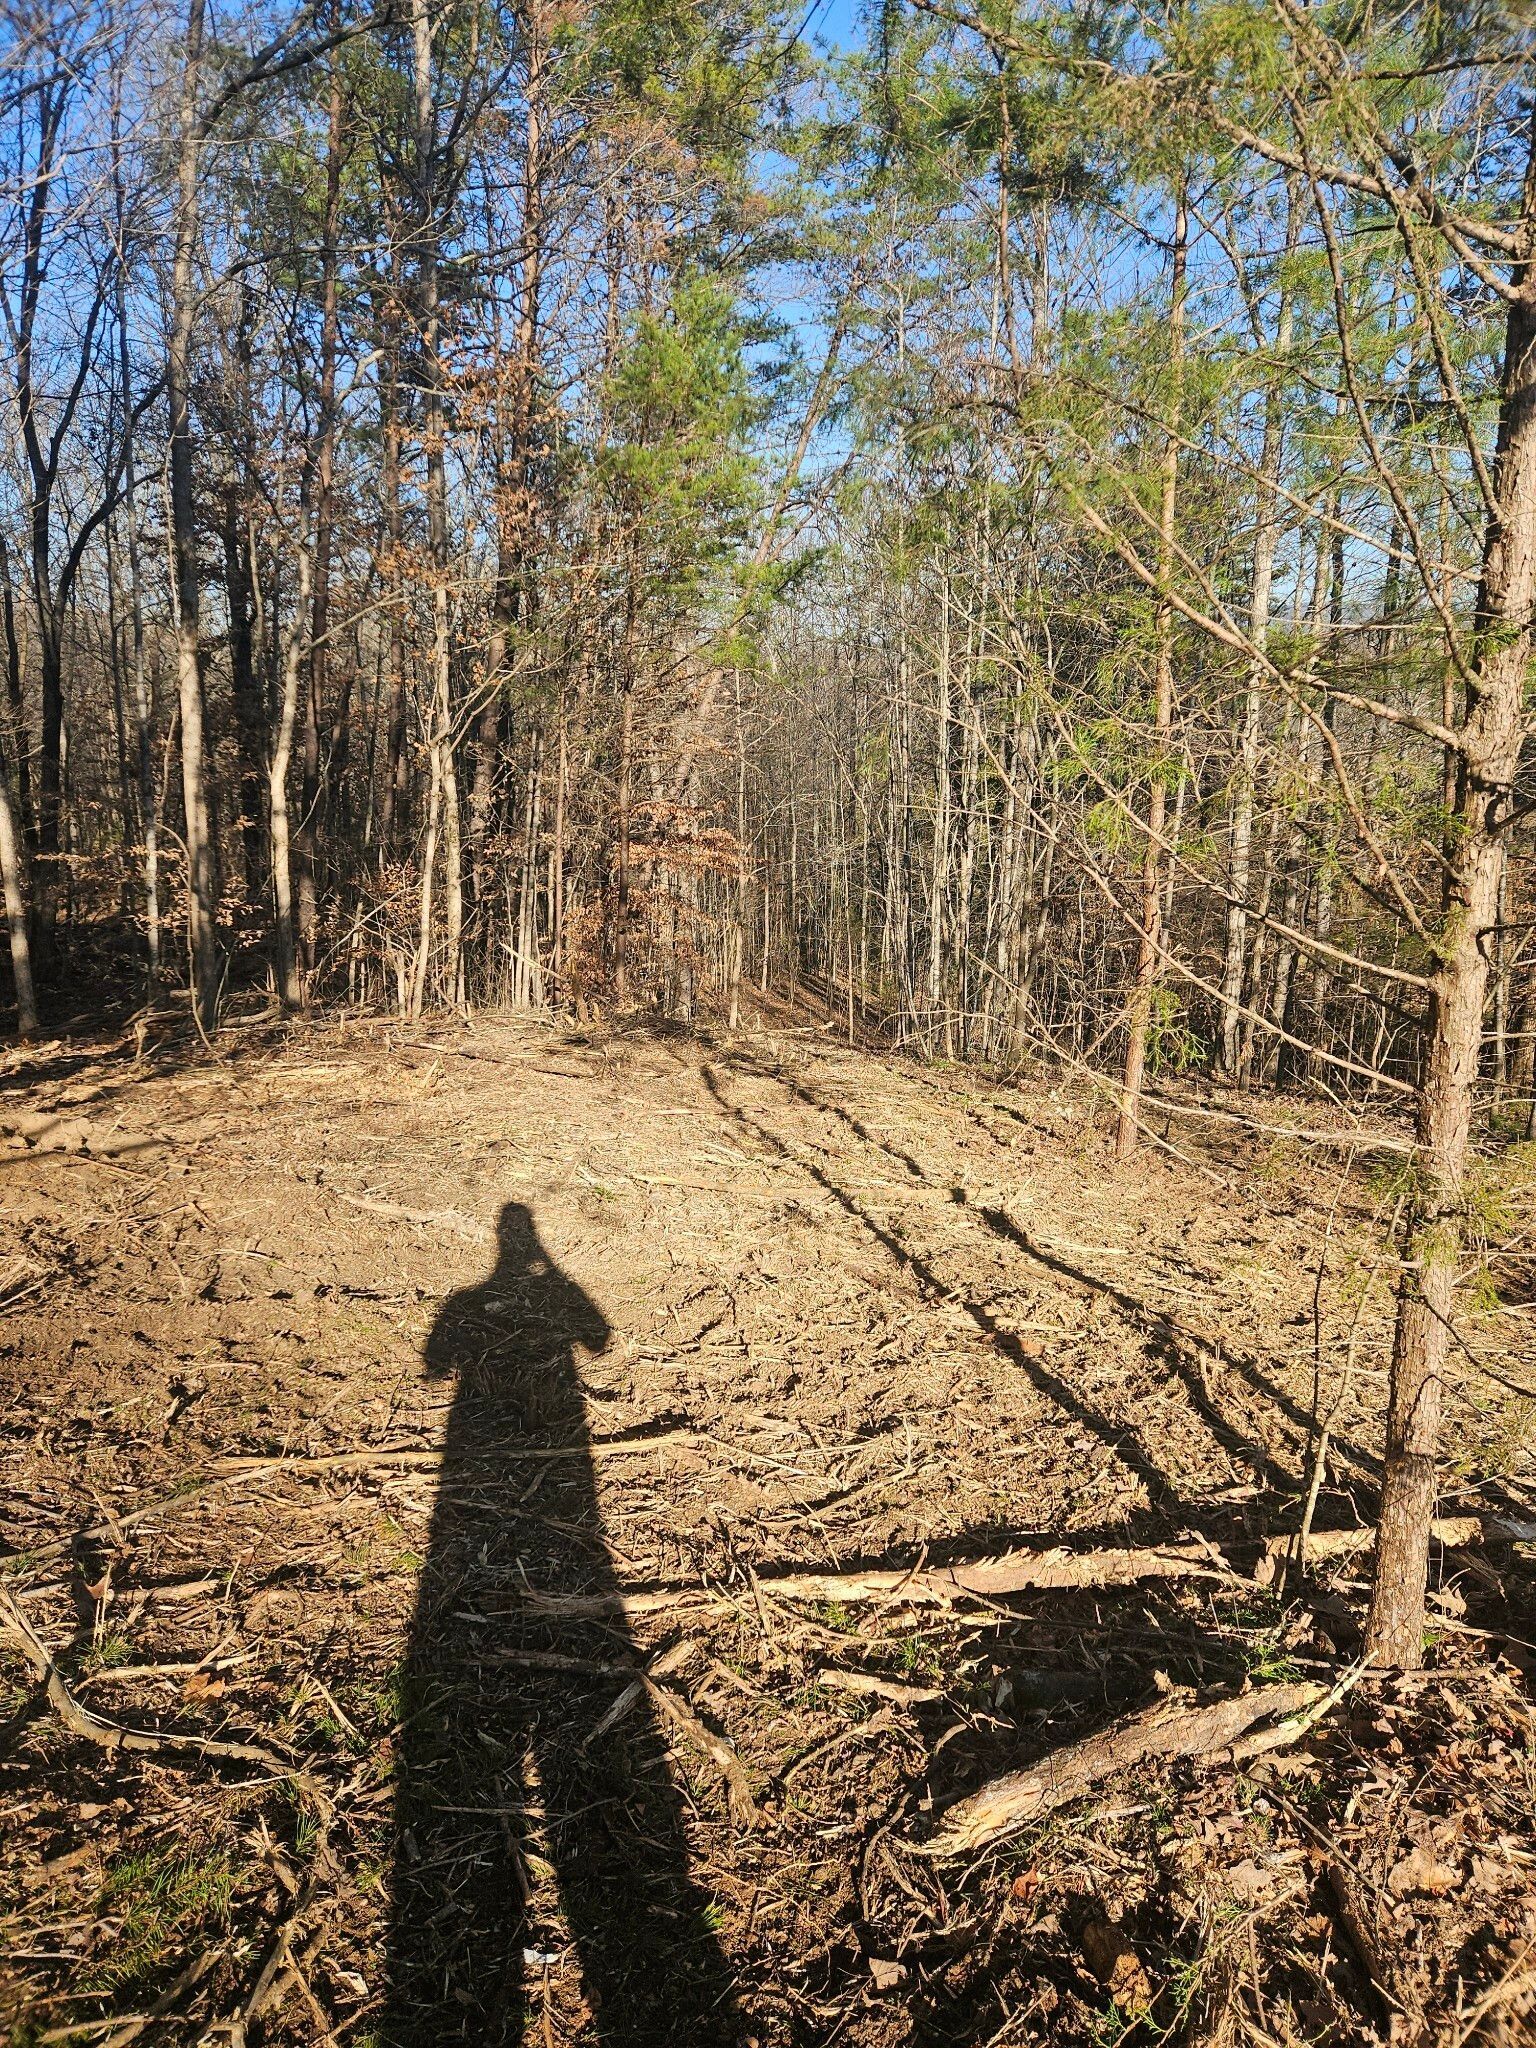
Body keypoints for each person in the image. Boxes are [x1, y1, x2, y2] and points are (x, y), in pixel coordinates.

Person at [383, 1202, 740, 2044]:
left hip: (480, 1474)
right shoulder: (548, 1292)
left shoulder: (469, 1303)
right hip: (556, 1476)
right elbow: (601, 1339)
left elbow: (435, 1367)